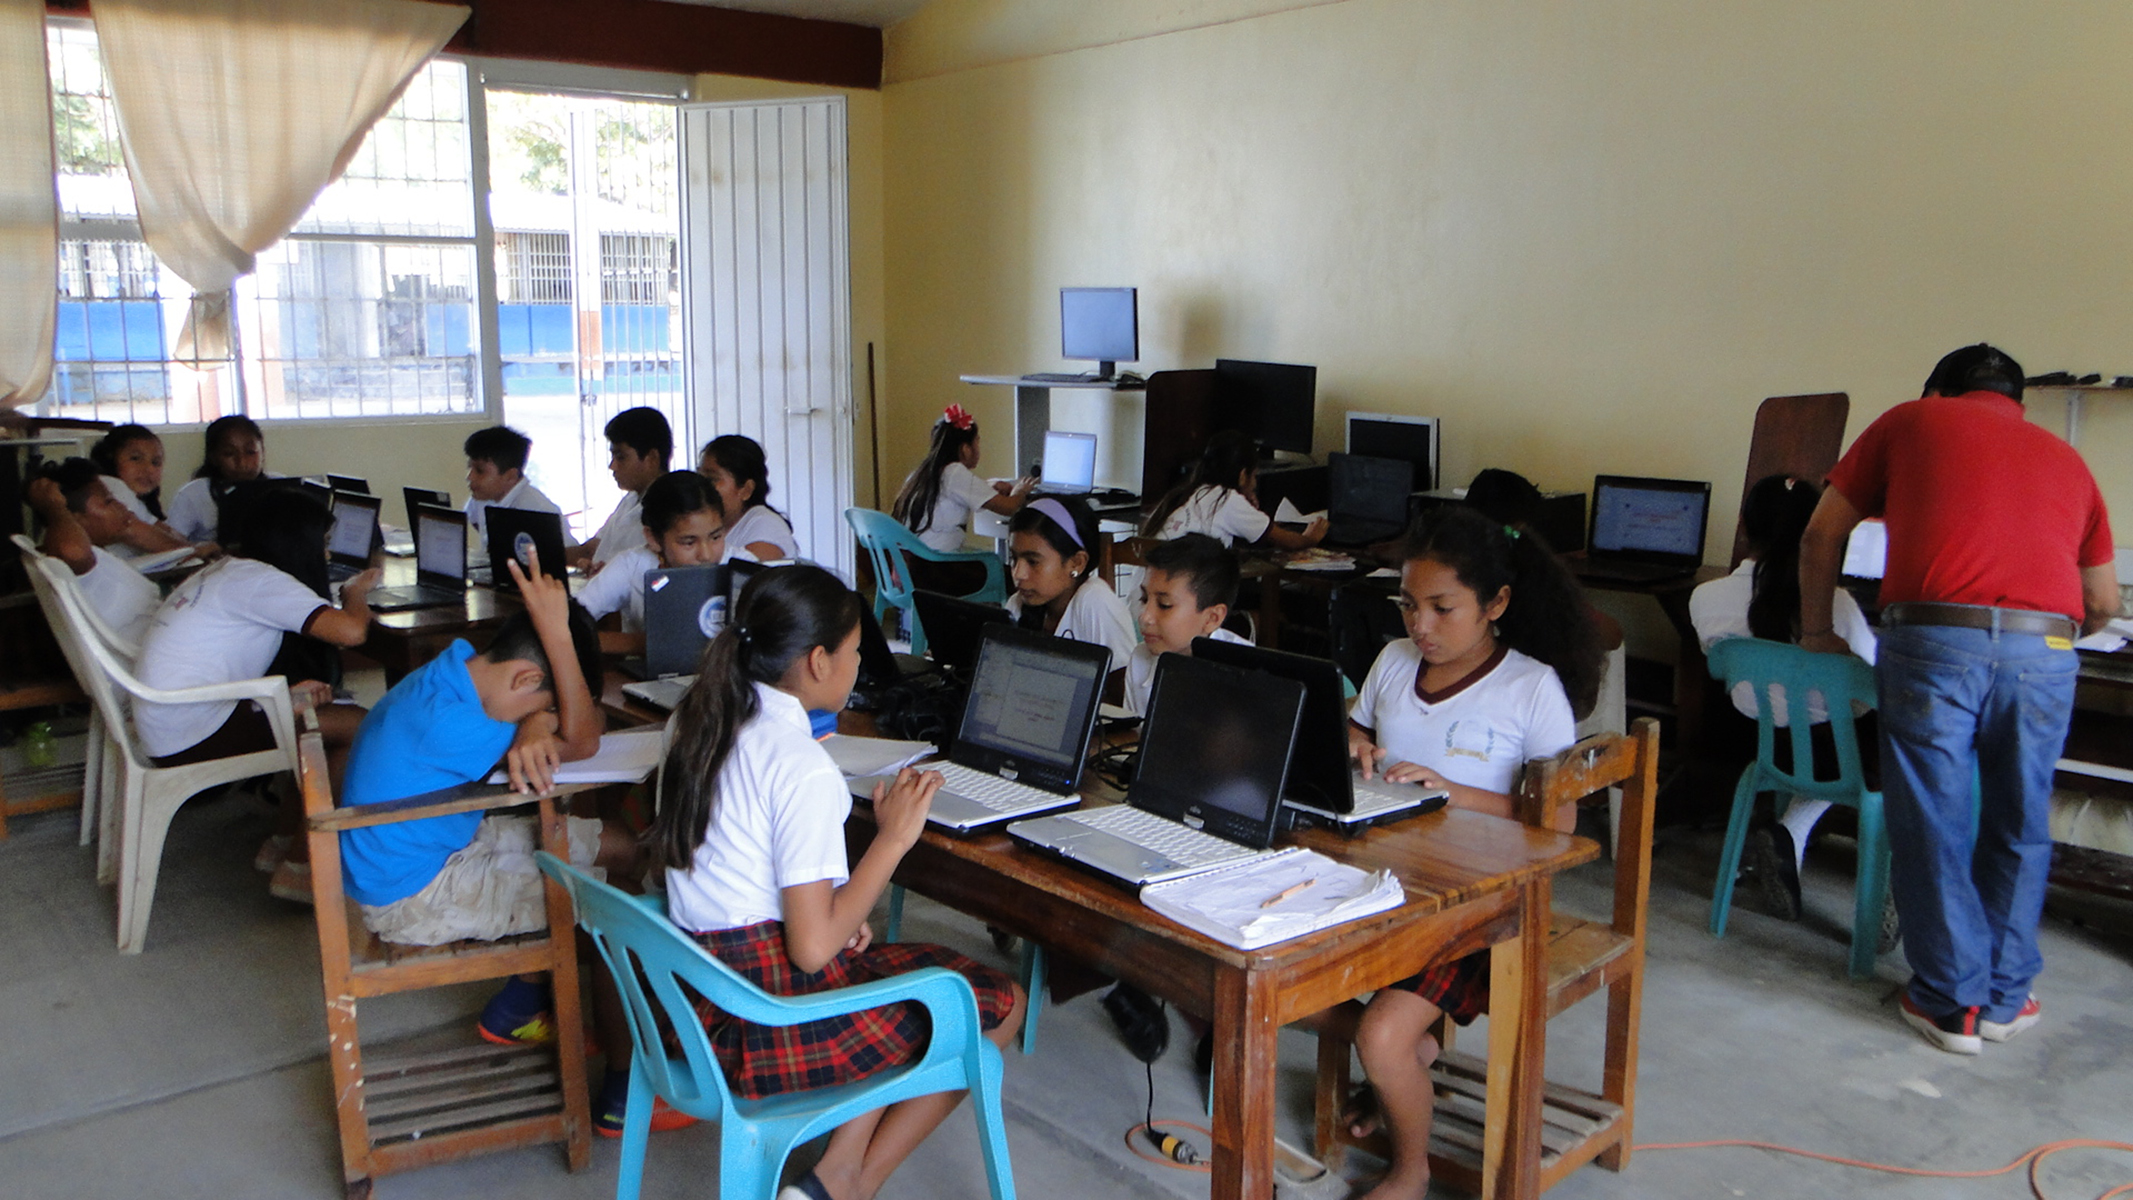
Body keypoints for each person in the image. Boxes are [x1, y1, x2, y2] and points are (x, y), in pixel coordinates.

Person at [649, 564, 1024, 1200]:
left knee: (887, 968)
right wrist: (893, 838)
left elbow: (751, 887)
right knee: (998, 1001)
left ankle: (835, 1174)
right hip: (759, 1022)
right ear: (818, 662)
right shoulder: (802, 767)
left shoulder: (695, 720)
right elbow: (812, 950)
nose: (859, 665)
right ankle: (852, 1183)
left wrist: (837, 914)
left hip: (691, 998)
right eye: (854, 651)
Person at [1798, 343, 2117, 1055]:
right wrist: (2045, 638)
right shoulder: (2067, 459)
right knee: (2020, 819)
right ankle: (2005, 997)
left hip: (1935, 639)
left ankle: (1951, 1003)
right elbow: (2100, 602)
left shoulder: (1910, 420)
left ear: (1936, 393)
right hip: (2047, 648)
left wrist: (1818, 630)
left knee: (1933, 819)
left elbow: (1821, 533)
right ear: (2018, 404)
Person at [1341, 504, 1600, 1200]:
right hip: (1391, 880)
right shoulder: (1394, 663)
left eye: (1441, 608)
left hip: (1484, 908)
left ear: (1496, 604)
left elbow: (1559, 820)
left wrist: (1452, 792)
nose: (1419, 625)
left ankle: (1410, 1170)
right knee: (1288, 971)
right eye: (1407, 605)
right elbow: (1354, 726)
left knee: (1379, 1036)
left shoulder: (1529, 688)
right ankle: (1408, 1064)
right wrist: (1357, 747)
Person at [132, 486, 375, 902]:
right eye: (323, 543)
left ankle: (282, 843)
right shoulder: (263, 583)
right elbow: (351, 631)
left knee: (312, 714)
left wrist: (279, 693)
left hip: (173, 719)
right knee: (360, 728)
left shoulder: (232, 569)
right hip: (191, 733)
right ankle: (301, 867)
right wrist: (356, 593)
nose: (326, 555)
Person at [1689, 474, 1878, 921]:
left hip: (1756, 745)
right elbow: (1873, 680)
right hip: (1838, 754)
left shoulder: (1705, 597)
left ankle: (1789, 832)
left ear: (1743, 525)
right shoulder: (1837, 605)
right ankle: (1890, 876)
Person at [1005, 496, 1138, 701]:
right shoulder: (1017, 604)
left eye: (1033, 562)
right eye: (1014, 558)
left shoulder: (1095, 601)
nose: (1018, 573)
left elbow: (1123, 697)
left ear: (1077, 563)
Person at [574, 470, 728, 639]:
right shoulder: (632, 566)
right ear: (653, 538)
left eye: (715, 537)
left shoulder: (741, 566)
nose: (706, 555)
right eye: (689, 542)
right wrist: (644, 644)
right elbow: (571, 622)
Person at [24, 459, 161, 647]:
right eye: (108, 501)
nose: (122, 506)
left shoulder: (100, 556)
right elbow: (72, 551)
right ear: (75, 519)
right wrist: (55, 509)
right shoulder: (84, 568)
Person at [1124, 533, 1249, 716]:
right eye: (1144, 599)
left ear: (1212, 618)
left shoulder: (1247, 674)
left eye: (1164, 605)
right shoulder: (1140, 659)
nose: (1145, 617)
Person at [1142, 430, 1328, 550]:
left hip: (1147, 593)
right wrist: (1310, 538)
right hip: (1176, 592)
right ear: (1242, 475)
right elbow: (1286, 541)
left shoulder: (1192, 492)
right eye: (1253, 476)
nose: (1254, 484)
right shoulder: (1227, 499)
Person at [890, 403, 1033, 553]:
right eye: (977, 442)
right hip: (936, 562)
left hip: (911, 560)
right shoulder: (955, 472)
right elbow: (1009, 507)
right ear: (966, 449)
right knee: (993, 561)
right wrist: (1021, 490)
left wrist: (989, 486)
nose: (978, 448)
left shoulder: (920, 474)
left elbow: (952, 492)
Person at [574, 406, 672, 571]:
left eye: (621, 457)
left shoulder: (669, 508)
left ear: (652, 458)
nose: (612, 466)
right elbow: (593, 549)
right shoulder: (631, 499)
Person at [166, 414, 271, 545]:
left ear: (262, 452)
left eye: (250, 452)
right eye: (229, 454)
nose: (242, 462)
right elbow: (170, 544)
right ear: (213, 457)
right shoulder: (193, 495)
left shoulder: (281, 486)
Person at [86, 424, 190, 558]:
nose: (149, 469)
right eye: (135, 458)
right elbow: (135, 533)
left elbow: (168, 533)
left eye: (156, 462)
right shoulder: (109, 485)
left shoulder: (136, 501)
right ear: (110, 459)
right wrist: (194, 551)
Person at [699, 434, 801, 563]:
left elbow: (749, 573)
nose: (701, 485)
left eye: (712, 479)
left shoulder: (767, 526)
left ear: (746, 489)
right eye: (700, 476)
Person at [462, 424, 567, 540]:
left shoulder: (540, 511)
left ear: (510, 476)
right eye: (469, 468)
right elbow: (474, 519)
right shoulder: (482, 497)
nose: (470, 477)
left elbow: (568, 550)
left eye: (480, 471)